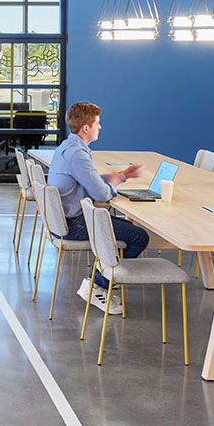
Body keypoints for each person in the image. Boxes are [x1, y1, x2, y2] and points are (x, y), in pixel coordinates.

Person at [45, 101, 147, 313]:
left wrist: (115, 177)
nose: (99, 127)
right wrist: (112, 184)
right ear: (86, 128)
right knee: (139, 237)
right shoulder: (78, 154)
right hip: (74, 224)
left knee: (127, 231)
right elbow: (101, 194)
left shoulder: (68, 147)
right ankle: (98, 285)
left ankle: (100, 281)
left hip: (65, 220)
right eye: (97, 123)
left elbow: (84, 182)